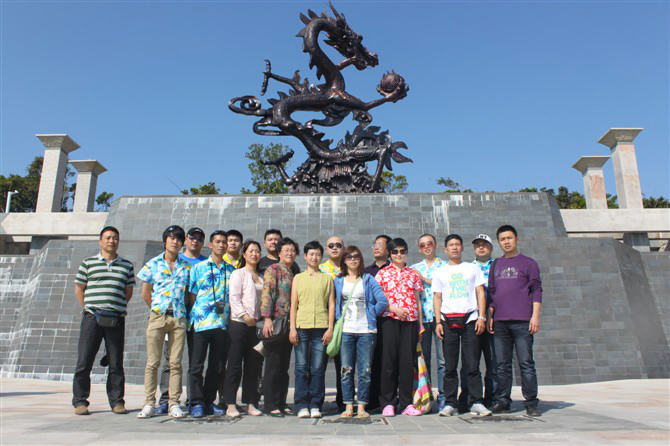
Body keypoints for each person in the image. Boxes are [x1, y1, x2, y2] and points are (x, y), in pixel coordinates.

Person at [72, 226, 135, 416]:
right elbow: (79, 288)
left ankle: (117, 401)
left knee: (116, 362)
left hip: (115, 318)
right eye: (108, 238)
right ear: (100, 241)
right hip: (92, 317)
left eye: (115, 238)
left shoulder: (126, 266)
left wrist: (115, 306)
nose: (111, 241)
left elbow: (128, 292)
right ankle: (80, 401)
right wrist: (88, 307)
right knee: (84, 361)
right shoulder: (88, 263)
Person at [433, 234, 491, 417]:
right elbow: (437, 297)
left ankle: (476, 402)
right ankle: (450, 403)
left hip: (470, 320)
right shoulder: (440, 271)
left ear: (462, 248)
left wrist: (481, 317)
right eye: (451, 245)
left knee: (472, 364)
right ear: (445, 249)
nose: (454, 247)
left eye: (457, 244)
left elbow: (480, 293)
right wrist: (438, 322)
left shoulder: (472, 268)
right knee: (449, 365)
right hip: (447, 320)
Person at [136, 225, 190, 419]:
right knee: (153, 362)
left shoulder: (186, 266)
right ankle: (149, 403)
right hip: (158, 316)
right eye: (171, 238)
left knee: (175, 363)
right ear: (165, 241)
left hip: (178, 317)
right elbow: (145, 292)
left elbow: (188, 294)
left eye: (178, 239)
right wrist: (156, 309)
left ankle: (174, 403)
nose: (175, 241)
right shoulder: (153, 264)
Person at [489, 225, 543, 417]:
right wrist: (490, 315)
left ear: (516, 239)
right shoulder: (495, 264)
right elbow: (492, 292)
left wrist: (535, 316)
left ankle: (531, 403)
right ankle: (503, 401)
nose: (506, 242)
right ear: (499, 242)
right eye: (502, 239)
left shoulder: (529, 263)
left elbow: (536, 290)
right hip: (500, 322)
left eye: (509, 238)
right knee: (502, 365)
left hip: (522, 321)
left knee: (526, 363)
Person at [333, 246, 387, 418]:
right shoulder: (338, 281)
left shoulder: (368, 279)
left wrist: (370, 313)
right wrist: (337, 319)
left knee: (365, 371)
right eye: (349, 257)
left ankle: (362, 406)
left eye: (356, 256)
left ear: (360, 259)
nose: (353, 260)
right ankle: (349, 405)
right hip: (346, 331)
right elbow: (333, 303)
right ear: (344, 260)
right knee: (346, 370)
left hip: (366, 331)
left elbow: (382, 301)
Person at [187, 230, 235, 418]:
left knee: (217, 366)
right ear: (210, 245)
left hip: (221, 324)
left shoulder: (231, 270)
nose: (221, 245)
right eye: (218, 242)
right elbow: (192, 295)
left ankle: (208, 401)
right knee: (196, 366)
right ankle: (196, 402)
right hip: (201, 323)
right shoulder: (198, 268)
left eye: (224, 242)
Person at [375, 238, 424, 417]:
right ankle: (388, 402)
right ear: (389, 254)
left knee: (407, 363)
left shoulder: (413, 274)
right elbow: (377, 299)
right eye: (395, 251)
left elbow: (417, 300)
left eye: (402, 251)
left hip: (410, 322)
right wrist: (392, 308)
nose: (399, 255)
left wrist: (420, 324)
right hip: (389, 321)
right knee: (388, 362)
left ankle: (406, 403)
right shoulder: (382, 274)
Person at [290, 241, 335, 419]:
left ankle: (316, 404)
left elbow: (331, 304)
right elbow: (294, 304)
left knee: (317, 368)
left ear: (321, 257)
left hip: (321, 327)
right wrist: (292, 328)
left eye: (317, 254)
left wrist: (330, 328)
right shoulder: (298, 278)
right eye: (311, 254)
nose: (314, 257)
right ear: (305, 256)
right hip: (301, 326)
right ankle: (301, 404)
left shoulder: (327, 279)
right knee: (301, 367)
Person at [223, 240, 264, 417]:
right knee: (234, 365)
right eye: (251, 251)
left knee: (253, 366)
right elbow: (234, 298)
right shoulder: (238, 274)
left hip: (256, 326)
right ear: (244, 254)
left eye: (257, 251)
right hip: (239, 324)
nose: (254, 254)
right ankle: (230, 403)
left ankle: (250, 402)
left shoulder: (262, 277)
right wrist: (245, 316)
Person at [457, 234, 496, 408]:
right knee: (469, 361)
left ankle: (492, 397)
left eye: (484, 244)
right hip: (472, 319)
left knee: (493, 361)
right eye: (478, 245)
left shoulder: (498, 266)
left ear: (491, 248)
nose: (481, 247)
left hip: (494, 319)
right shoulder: (467, 268)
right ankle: (467, 396)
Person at [260, 237, 299, 416]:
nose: (290, 253)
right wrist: (267, 318)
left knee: (284, 366)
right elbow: (267, 293)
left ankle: (282, 402)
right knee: (273, 365)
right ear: (279, 253)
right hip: (276, 322)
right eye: (286, 250)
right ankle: (270, 404)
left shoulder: (294, 271)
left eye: (292, 250)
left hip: (289, 324)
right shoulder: (273, 269)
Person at [410, 233, 447, 411]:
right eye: (422, 245)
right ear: (419, 249)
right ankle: (427, 397)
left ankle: (444, 396)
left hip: (441, 318)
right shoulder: (414, 268)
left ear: (436, 245)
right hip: (422, 318)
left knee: (443, 360)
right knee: (424, 359)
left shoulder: (446, 266)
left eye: (429, 243)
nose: (426, 247)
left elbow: (447, 287)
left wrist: (424, 279)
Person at [363, 234, 391, 411]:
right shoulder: (366, 271)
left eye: (381, 244)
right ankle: (371, 399)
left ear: (389, 249)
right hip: (370, 322)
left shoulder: (395, 269)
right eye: (375, 244)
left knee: (388, 360)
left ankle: (387, 399)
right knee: (370, 361)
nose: (376, 247)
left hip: (389, 321)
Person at [319, 235, 345, 412]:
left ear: (343, 248)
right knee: (318, 364)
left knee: (343, 364)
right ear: (326, 249)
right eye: (331, 245)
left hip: (344, 323)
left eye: (338, 245)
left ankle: (343, 400)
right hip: (322, 322)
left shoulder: (350, 267)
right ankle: (317, 401)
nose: (335, 248)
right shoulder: (320, 269)